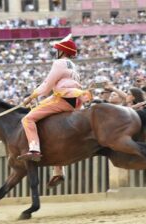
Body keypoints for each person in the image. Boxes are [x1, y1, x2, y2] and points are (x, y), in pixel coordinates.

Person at [18, 34, 91, 187]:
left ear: (61, 51)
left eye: (57, 49)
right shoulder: (73, 65)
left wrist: (30, 98)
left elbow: (46, 86)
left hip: (63, 98)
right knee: (47, 121)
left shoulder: (59, 63)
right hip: (77, 100)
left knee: (27, 119)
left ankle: (34, 149)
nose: (55, 52)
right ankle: (58, 171)